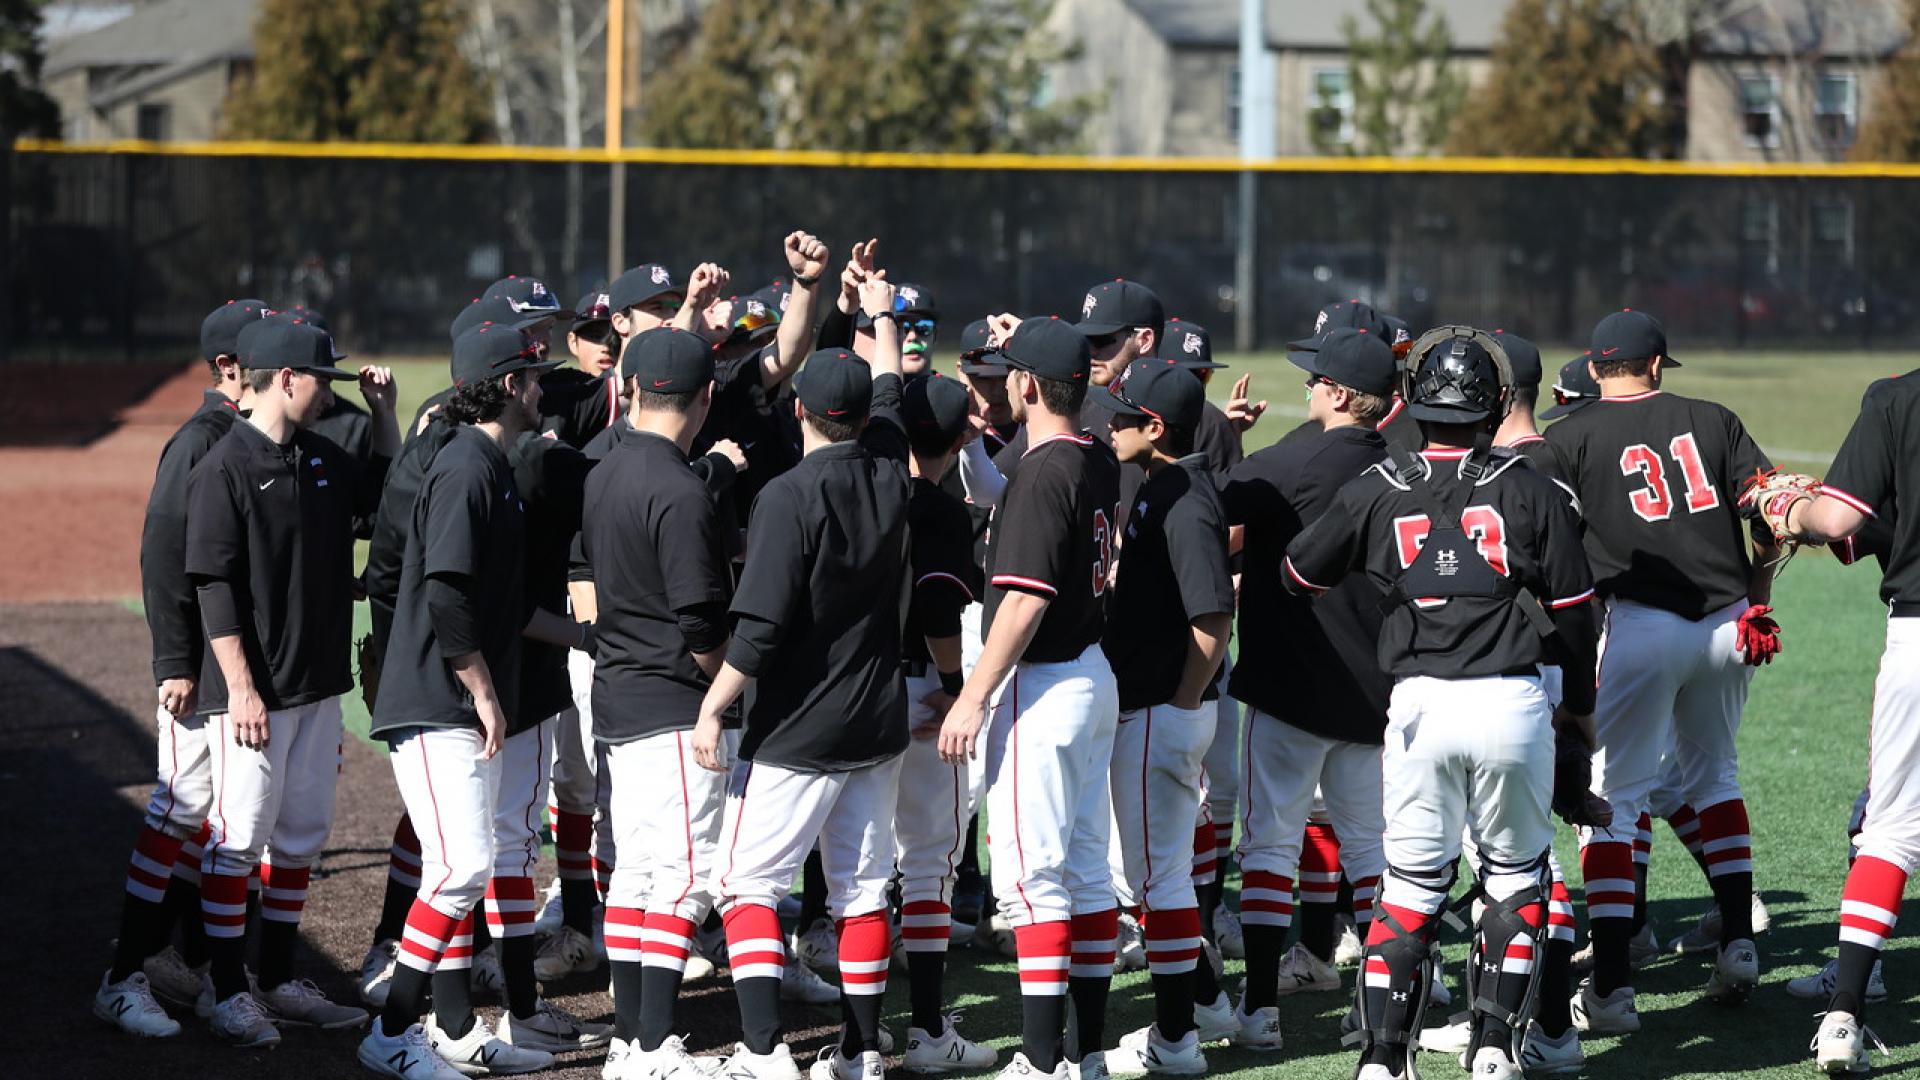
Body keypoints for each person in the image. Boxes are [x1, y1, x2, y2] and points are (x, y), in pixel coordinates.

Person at [1284, 327, 1598, 1080]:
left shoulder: (1376, 488)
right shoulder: (1530, 487)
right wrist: (1578, 712)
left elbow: (1299, 577)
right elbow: (1579, 613)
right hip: (1511, 699)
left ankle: (1383, 1060)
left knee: (1411, 889)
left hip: (1419, 703)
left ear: (1412, 406)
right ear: (1493, 406)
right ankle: (1493, 1050)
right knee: (1517, 881)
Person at [690, 275, 912, 1080]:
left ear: (799, 413)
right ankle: (859, 1053)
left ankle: (760, 1054)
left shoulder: (787, 495)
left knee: (744, 883)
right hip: (878, 722)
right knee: (859, 893)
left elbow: (760, 627)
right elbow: (889, 386)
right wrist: (880, 311)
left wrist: (715, 707)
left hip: (800, 727)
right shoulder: (892, 469)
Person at [1544, 310, 1779, 1029]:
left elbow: (1551, 548)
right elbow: (1767, 513)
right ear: (1653, 364)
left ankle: (1612, 985)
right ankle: (1738, 940)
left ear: (1594, 366)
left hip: (1636, 626)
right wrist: (1758, 598)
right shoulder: (1711, 417)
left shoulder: (1566, 436)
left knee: (1612, 797)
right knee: (1717, 776)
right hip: (1725, 621)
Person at [357, 324, 561, 1079]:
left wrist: (579, 634)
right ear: (509, 385)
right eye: (536, 378)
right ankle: (391, 1033)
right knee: (462, 867)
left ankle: (447, 1027)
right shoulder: (468, 466)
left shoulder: (487, 462)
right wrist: (482, 689)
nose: (543, 389)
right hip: (437, 700)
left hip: (443, 699)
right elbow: (445, 590)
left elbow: (496, 600)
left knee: (453, 865)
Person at [186, 316, 396, 1045]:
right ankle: (223, 990)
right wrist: (240, 685)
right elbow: (213, 586)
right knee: (239, 835)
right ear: (286, 379)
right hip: (255, 694)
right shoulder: (224, 466)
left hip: (318, 685)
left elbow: (387, 498)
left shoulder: (323, 458)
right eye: (323, 381)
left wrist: (386, 417)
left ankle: (275, 978)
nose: (329, 393)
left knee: (301, 835)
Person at [938, 316, 1122, 1080]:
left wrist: (971, 696)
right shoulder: (1092, 455)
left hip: (1042, 684)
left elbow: (1021, 602)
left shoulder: (1045, 473)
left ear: (1024, 385)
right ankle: (1087, 1051)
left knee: (1030, 878)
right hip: (1092, 677)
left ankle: (1041, 1061)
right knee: (1081, 871)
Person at [1218, 328, 1399, 1044]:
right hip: (1378, 698)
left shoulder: (1293, 459)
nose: (1308, 387)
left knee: (1268, 849)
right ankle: (1382, 1009)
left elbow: (1210, 506)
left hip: (1290, 692)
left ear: (1342, 395)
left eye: (1317, 379)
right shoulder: (1407, 466)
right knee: (1374, 855)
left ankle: (1260, 1010)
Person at [96, 299, 271, 1038]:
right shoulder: (199, 441)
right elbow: (163, 553)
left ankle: (185, 961)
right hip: (198, 672)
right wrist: (174, 660)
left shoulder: (253, 434)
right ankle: (123, 976)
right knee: (180, 810)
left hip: (234, 668)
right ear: (231, 367)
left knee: (216, 820)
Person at [582, 327, 744, 1080]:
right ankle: (653, 1046)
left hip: (620, 700)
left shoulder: (604, 473)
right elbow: (701, 623)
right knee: (684, 877)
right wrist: (727, 687)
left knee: (641, 876)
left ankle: (631, 1040)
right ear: (705, 399)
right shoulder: (681, 489)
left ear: (635, 391)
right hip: (676, 706)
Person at [1754, 369, 1918, 1074]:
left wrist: (1786, 507)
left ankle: (1846, 1011)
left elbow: (1841, 521)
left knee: (1889, 827)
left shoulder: (1897, 398)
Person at [1091, 359, 1236, 1075]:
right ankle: (1205, 1002)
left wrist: (1182, 699)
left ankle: (1176, 1042)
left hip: (1162, 708)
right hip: (1154, 705)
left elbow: (1214, 614)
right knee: (1154, 875)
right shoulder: (1164, 481)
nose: (1108, 424)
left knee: (1159, 883)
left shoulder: (1185, 498)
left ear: (1155, 427)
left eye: (1121, 415)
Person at [889, 373, 999, 1073]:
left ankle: (856, 1035)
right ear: (963, 439)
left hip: (850, 694)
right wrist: (960, 689)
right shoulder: (941, 511)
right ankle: (927, 1032)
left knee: (859, 870)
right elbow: (937, 606)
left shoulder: (861, 490)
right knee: (929, 864)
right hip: (923, 694)